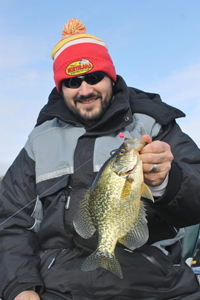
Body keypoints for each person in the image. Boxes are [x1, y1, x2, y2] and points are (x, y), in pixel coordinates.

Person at [0, 18, 200, 300]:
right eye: (72, 81)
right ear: (61, 87)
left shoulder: (154, 125)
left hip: (159, 288)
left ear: (111, 77)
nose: (84, 90)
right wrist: (20, 286)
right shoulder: (38, 142)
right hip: (60, 289)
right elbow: (11, 223)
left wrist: (167, 181)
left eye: (93, 77)